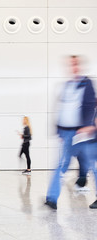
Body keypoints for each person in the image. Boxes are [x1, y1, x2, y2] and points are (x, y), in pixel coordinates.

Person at [45, 55, 96, 210]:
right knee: (61, 165)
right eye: (70, 65)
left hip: (83, 133)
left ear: (80, 66)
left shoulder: (86, 84)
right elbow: (62, 108)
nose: (73, 67)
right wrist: (59, 131)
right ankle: (51, 199)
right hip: (67, 133)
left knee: (93, 165)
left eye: (75, 64)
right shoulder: (67, 86)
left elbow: (91, 105)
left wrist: (89, 126)